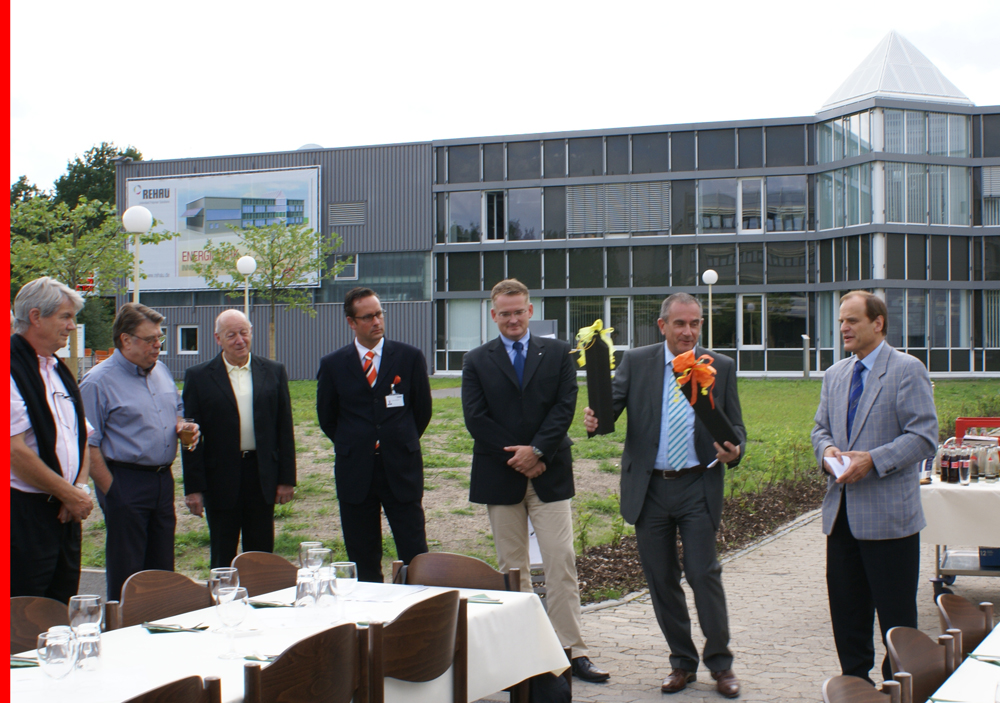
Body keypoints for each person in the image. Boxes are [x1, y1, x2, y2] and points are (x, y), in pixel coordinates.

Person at [584, 292, 745, 698]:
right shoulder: (637, 362)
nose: (688, 331)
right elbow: (609, 410)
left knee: (703, 574)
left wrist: (736, 450)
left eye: (695, 323)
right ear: (662, 326)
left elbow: (736, 429)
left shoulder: (720, 366)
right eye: (680, 323)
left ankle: (721, 664)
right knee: (661, 578)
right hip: (650, 488)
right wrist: (594, 419)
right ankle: (682, 663)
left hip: (697, 485)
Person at [463, 278, 610, 684]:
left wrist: (538, 451)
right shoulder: (476, 360)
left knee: (561, 562)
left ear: (530, 311)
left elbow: (565, 406)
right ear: (493, 315)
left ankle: (571, 651)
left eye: (519, 311)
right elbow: (476, 418)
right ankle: (525, 654)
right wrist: (520, 457)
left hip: (550, 472)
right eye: (505, 313)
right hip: (501, 474)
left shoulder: (559, 352)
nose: (513, 319)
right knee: (512, 570)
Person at [811, 291, 937, 684]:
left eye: (852, 320)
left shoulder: (907, 369)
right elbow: (819, 429)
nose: (844, 328)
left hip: (889, 520)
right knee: (847, 612)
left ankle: (899, 686)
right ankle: (855, 683)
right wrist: (827, 451)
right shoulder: (835, 374)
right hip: (842, 517)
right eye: (841, 322)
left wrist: (873, 460)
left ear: (878, 323)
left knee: (896, 616)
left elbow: (924, 437)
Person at [80, 303, 197, 601]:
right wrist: (113, 491)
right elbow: (88, 444)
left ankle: (160, 622)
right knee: (128, 570)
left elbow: (177, 411)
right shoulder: (97, 382)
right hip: (125, 480)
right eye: (150, 339)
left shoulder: (161, 371)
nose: (158, 345)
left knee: (162, 568)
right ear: (126, 340)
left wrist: (183, 427)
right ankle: (123, 625)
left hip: (162, 480)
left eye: (160, 338)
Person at [316, 288, 432, 582]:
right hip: (356, 470)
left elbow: (422, 411)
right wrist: (357, 442)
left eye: (379, 314)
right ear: (351, 322)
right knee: (362, 554)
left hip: (401, 467)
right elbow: (327, 418)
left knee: (414, 550)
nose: (377, 321)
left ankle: (419, 604)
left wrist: (397, 439)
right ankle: (371, 607)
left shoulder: (409, 357)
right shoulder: (333, 364)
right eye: (367, 317)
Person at [181, 310, 296, 569]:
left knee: (261, 556)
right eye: (231, 335)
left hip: (261, 475)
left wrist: (286, 479)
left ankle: (261, 593)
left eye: (244, 333)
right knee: (222, 555)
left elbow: (284, 429)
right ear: (218, 338)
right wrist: (193, 487)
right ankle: (223, 595)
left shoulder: (274, 372)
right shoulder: (199, 377)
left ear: (251, 333)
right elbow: (190, 438)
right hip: (220, 479)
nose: (239, 340)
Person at [10, 277, 94, 603]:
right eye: (65, 317)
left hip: (65, 512)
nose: (72, 326)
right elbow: (13, 451)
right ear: (35, 317)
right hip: (24, 516)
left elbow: (81, 435)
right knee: (25, 610)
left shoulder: (57, 369)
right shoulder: (11, 368)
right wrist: (68, 493)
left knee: (60, 609)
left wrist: (79, 489)